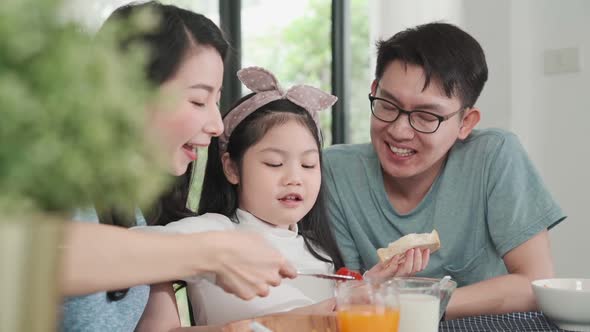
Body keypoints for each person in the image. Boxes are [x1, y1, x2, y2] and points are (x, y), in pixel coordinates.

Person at [60, 4, 295, 332]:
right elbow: (38, 252)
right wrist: (211, 253)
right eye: (199, 101)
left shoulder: (127, 205)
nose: (216, 125)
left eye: (216, 101)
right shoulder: (54, 180)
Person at [323, 22, 566, 319]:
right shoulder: (334, 170)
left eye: (426, 116)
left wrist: (420, 305)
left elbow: (535, 283)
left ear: (466, 122)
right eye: (388, 104)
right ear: (374, 91)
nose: (399, 131)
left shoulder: (494, 155)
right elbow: (348, 292)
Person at [134, 66, 347, 330]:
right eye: (274, 163)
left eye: (308, 165)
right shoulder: (215, 232)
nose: (295, 178)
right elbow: (131, 247)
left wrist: (371, 284)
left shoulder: (321, 253)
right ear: (232, 168)